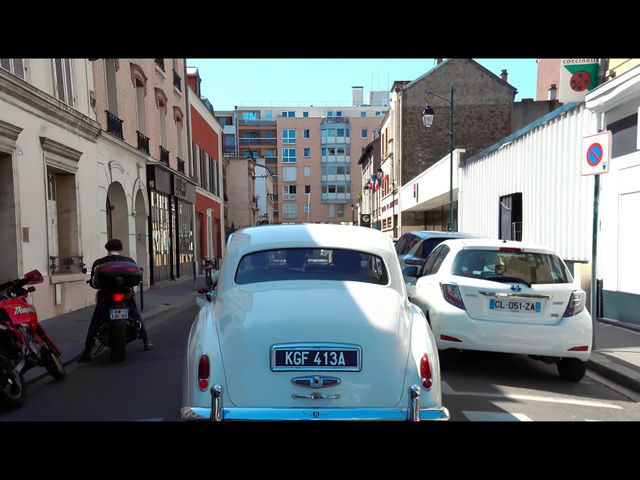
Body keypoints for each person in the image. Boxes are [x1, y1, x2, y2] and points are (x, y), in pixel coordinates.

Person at [78, 239, 154, 363]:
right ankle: (146, 341)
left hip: (107, 294)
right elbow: (136, 278)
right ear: (120, 248)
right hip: (125, 294)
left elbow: (94, 282)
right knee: (135, 314)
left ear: (107, 248)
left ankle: (87, 350)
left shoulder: (100, 262)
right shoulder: (129, 261)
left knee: (96, 319)